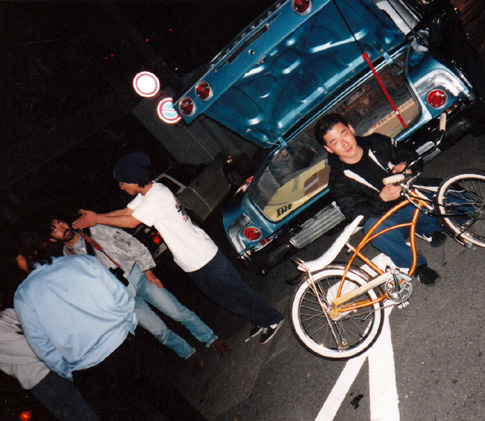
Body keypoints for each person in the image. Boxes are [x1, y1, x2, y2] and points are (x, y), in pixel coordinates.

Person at [73, 151, 284, 344]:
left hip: (204, 256)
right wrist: (96, 217)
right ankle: (259, 319)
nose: (121, 187)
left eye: (121, 183)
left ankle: (272, 318)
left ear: (132, 179)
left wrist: (96, 219)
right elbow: (126, 213)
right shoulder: (148, 194)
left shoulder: (157, 196)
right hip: (191, 262)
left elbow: (131, 222)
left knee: (236, 291)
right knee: (224, 298)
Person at [13, 232, 205, 421]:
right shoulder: (81, 262)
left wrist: (71, 371)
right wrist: (127, 330)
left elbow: (42, 346)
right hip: (125, 348)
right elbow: (122, 297)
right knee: (172, 403)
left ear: (22, 257)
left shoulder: (24, 296)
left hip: (90, 372)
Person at [48, 218, 231, 369]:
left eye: (61, 222)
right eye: (55, 230)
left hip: (139, 277)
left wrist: (147, 268)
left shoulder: (94, 230)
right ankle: (188, 354)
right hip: (123, 297)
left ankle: (212, 340)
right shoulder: (68, 261)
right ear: (52, 239)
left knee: (177, 312)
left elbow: (130, 243)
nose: (62, 228)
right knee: (159, 331)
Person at [314, 113, 445, 285]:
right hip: (390, 221)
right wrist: (382, 198)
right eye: (335, 142)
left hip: (414, 199)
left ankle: (426, 227)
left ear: (351, 129)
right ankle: (417, 267)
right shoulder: (338, 180)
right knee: (373, 229)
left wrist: (406, 166)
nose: (344, 143)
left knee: (461, 203)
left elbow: (409, 154)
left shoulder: (375, 142)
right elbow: (355, 213)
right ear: (329, 149)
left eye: (344, 133)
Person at [0, 292, 99, 420]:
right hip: (46, 381)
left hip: (61, 368)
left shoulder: (9, 314)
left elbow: (44, 320)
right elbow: (35, 349)